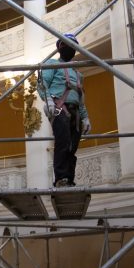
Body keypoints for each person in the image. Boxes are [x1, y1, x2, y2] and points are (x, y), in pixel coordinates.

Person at [37, 33, 91, 188]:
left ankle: (69, 178)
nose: (70, 49)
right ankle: (61, 178)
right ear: (60, 47)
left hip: (76, 111)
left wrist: (85, 117)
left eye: (72, 46)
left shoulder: (78, 74)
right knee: (63, 141)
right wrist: (48, 100)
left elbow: (80, 98)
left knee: (72, 146)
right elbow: (42, 84)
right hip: (59, 108)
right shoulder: (51, 64)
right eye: (67, 45)